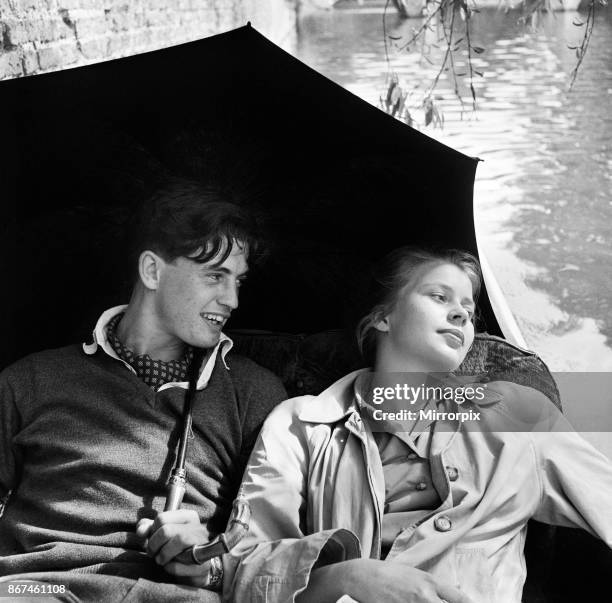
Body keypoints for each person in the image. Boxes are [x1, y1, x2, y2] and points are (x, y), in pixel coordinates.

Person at [225, 247, 612, 603]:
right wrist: (346, 577)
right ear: (382, 317)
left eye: (468, 308)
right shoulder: (300, 423)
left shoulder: (519, 416)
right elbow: (244, 568)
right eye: (439, 297)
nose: (462, 314)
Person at [0, 180, 287, 602]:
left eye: (238, 282)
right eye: (215, 275)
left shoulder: (254, 394)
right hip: (36, 589)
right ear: (152, 270)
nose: (232, 300)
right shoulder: (29, 381)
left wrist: (209, 565)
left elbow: (270, 551)